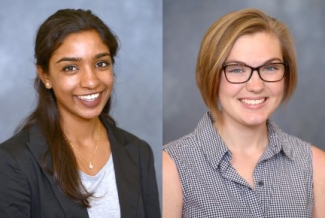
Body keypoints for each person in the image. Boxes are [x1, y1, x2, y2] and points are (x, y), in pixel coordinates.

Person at [163, 8, 325, 218]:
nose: (256, 86)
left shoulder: (316, 166)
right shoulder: (170, 167)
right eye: (237, 69)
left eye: (270, 68)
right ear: (211, 76)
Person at [0, 9, 160, 218]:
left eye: (101, 63)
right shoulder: (13, 161)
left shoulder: (138, 152)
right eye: (71, 68)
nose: (91, 81)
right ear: (45, 75)